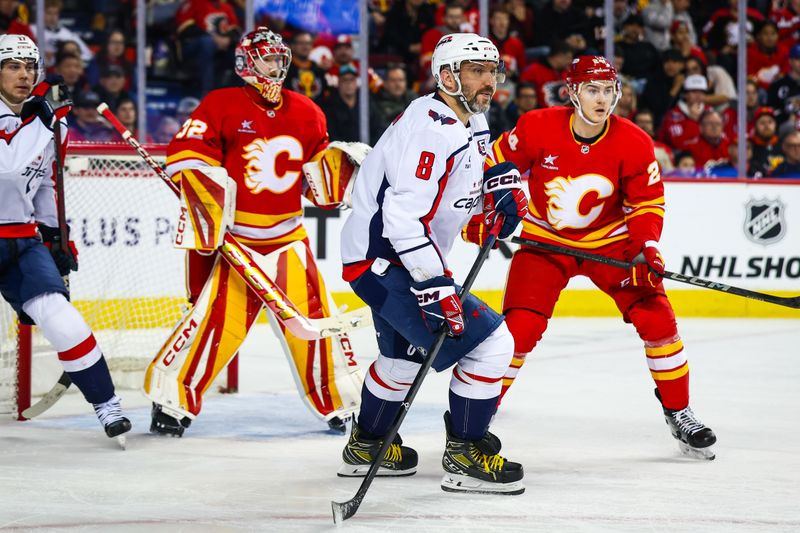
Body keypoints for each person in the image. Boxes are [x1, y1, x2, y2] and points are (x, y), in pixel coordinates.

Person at [484, 55, 717, 459]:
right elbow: (493, 164)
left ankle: (679, 411)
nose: (603, 99)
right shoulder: (537, 126)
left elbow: (646, 203)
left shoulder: (634, 141)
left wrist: (647, 247)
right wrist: (488, 208)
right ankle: (479, 415)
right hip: (546, 242)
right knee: (519, 330)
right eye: (593, 90)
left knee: (657, 318)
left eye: (609, 90)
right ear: (572, 92)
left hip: (611, 243)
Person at [144, 27, 363, 437]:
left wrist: (342, 174)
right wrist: (197, 178)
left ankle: (339, 401)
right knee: (214, 326)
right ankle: (172, 401)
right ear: (246, 63)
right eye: (268, 59)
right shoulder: (220, 104)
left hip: (288, 240)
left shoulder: (308, 111)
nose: (277, 67)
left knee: (314, 322)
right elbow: (187, 155)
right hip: (238, 243)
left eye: (281, 59)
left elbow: (319, 178)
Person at [338, 33, 528, 494]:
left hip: (392, 258)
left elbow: (458, 191)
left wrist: (494, 196)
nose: (489, 80)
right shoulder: (431, 127)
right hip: (386, 261)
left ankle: (367, 445)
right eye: (476, 70)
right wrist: (435, 284)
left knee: (401, 359)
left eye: (492, 70)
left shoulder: (472, 120)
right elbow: (403, 218)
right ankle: (465, 453)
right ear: (447, 76)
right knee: (492, 344)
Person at [0, 34, 130, 439]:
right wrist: (42, 120)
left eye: (29, 67)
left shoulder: (48, 120)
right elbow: (6, 165)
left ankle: (108, 407)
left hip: (22, 239)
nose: (23, 75)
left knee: (66, 323)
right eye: (12, 66)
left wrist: (56, 236)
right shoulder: (43, 118)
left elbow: (43, 185)